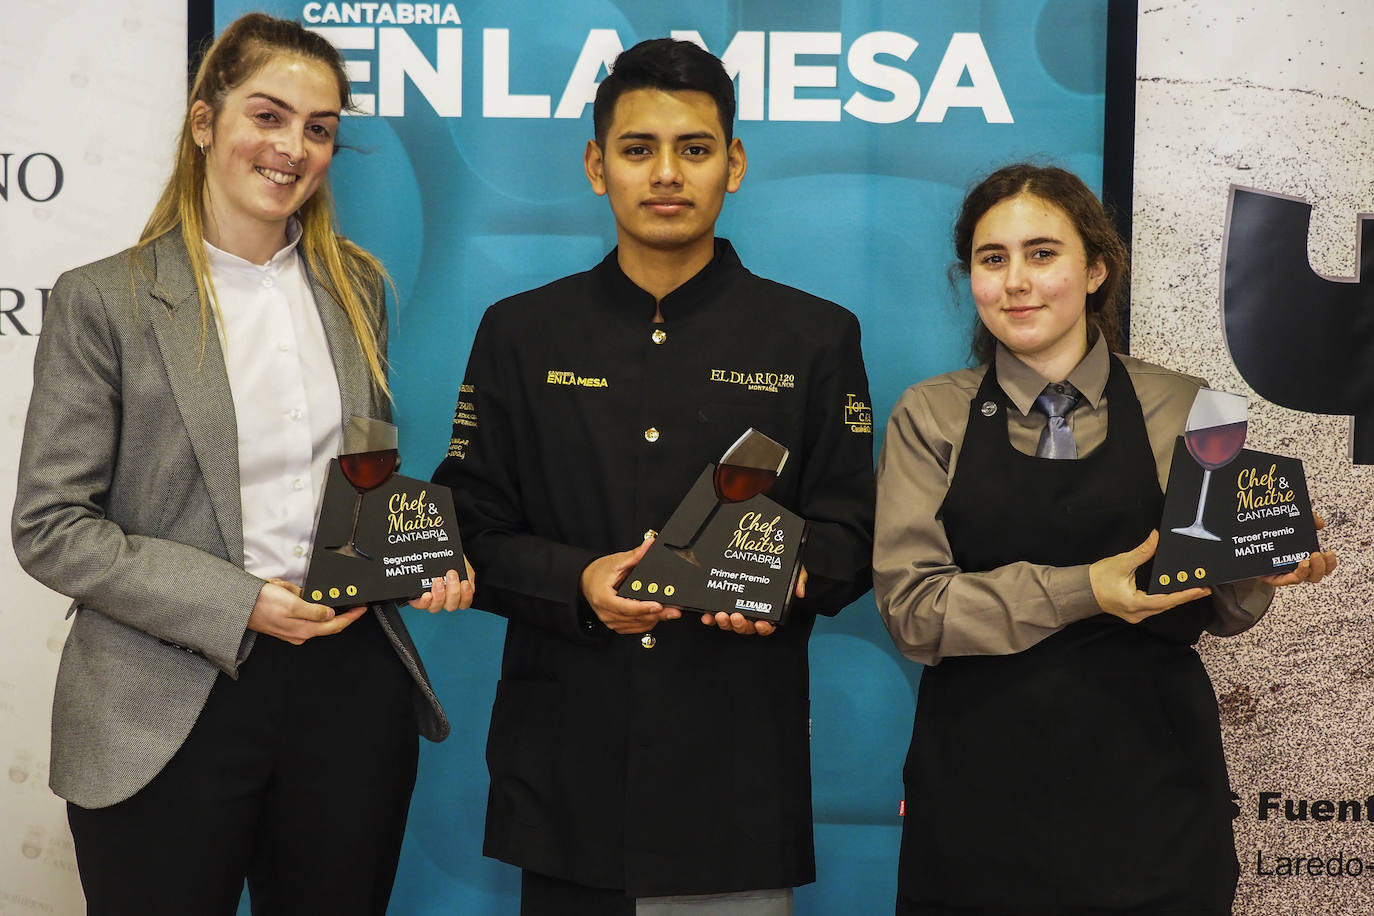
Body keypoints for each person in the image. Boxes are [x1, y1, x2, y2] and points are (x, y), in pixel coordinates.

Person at [11, 13, 471, 915]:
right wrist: (241, 602)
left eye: (319, 128)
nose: (292, 147)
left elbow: (360, 481)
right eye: (268, 115)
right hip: (164, 693)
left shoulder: (358, 286)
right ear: (203, 123)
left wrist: (416, 556)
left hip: (347, 688)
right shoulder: (102, 301)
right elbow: (51, 528)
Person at [433, 37, 875, 915]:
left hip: (735, 778)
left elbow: (854, 535)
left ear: (734, 164)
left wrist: (786, 578)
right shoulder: (521, 332)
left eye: (694, 149)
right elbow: (467, 527)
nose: (666, 174)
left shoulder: (816, 337)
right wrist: (579, 581)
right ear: (598, 166)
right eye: (638, 149)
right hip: (564, 775)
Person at [873, 163, 1338, 915]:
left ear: (1096, 268)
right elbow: (913, 611)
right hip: (977, 799)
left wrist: (1262, 563)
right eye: (994, 260)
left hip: (1153, 794)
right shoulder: (930, 415)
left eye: (1042, 254)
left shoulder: (1184, 403)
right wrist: (1087, 589)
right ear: (972, 278)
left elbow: (1223, 609)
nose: (1017, 281)